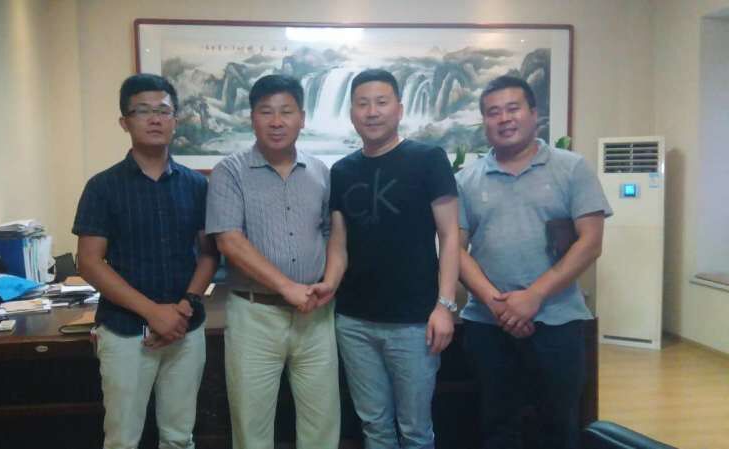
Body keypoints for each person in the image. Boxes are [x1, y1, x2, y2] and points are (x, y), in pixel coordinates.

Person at [455, 75, 612, 449]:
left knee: (558, 426)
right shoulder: (466, 179)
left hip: (557, 321)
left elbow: (590, 243)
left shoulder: (571, 168)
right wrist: (498, 304)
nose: (504, 119)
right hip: (488, 324)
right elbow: (454, 250)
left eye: (513, 108)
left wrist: (534, 296)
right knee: (496, 425)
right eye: (493, 112)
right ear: (484, 121)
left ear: (533, 113)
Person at [311, 68, 459, 449]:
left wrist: (445, 305)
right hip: (354, 322)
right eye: (362, 104)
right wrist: (329, 284)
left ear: (399, 109)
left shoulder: (428, 159)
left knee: (415, 430)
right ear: (352, 113)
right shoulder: (342, 171)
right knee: (374, 426)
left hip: (414, 322)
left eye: (381, 102)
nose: (372, 112)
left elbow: (450, 236)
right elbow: (339, 243)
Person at [73, 73, 219, 449]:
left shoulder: (196, 185)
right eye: (142, 111)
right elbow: (89, 262)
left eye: (163, 110)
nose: (155, 119)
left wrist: (185, 305)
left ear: (176, 119)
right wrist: (153, 312)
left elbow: (208, 253)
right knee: (123, 439)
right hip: (126, 331)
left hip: (186, 328)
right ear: (125, 122)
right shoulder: (102, 187)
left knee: (179, 437)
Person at [205, 74, 340, 449]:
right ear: (252, 118)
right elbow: (229, 240)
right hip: (255, 315)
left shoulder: (320, 172)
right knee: (252, 428)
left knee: (322, 425)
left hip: (316, 315)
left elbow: (330, 233)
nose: (277, 121)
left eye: (286, 111)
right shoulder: (230, 171)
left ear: (302, 118)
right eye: (266, 112)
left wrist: (329, 281)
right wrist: (287, 287)